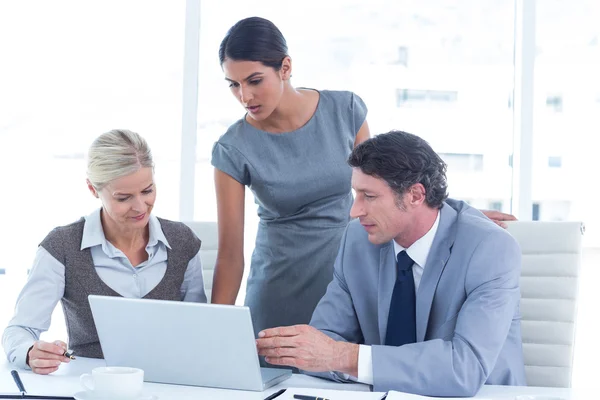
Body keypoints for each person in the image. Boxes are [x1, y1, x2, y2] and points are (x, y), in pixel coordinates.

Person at [211, 17, 515, 338]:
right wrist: (213, 334)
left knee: (353, 374)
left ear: (285, 68)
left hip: (351, 279)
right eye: (233, 84)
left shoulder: (345, 110)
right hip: (279, 288)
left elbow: (388, 188)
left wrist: (450, 219)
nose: (244, 96)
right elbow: (230, 256)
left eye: (254, 80)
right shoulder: (233, 148)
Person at [256, 131, 526, 397]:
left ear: (415, 196)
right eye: (356, 194)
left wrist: (344, 357)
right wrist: (331, 356)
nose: (354, 210)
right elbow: (324, 342)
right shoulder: (357, 240)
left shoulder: (489, 249)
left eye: (369, 196)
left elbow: (464, 368)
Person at [2, 129, 207, 375]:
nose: (140, 207)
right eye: (123, 197)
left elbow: (199, 328)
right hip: (92, 384)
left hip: (170, 383)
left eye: (147, 190)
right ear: (93, 189)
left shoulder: (182, 242)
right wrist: (29, 352)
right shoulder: (62, 247)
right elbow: (20, 330)